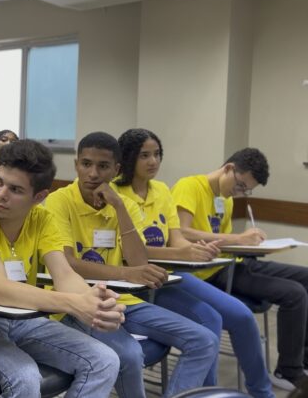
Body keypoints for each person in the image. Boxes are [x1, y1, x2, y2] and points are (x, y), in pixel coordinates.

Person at [0, 139, 122, 398]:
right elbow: (1, 290)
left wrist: (95, 302)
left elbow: (64, 275)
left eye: (15, 189)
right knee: (26, 377)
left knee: (105, 360)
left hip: (20, 318)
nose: (0, 194)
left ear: (39, 197)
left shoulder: (42, 219)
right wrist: (75, 304)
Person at [45, 131, 219, 398]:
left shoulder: (123, 203)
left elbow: (139, 261)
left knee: (204, 340)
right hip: (77, 302)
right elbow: (70, 263)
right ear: (76, 164)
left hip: (123, 300)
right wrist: (126, 272)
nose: (93, 173)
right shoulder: (59, 201)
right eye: (86, 164)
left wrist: (119, 208)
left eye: (103, 166)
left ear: (116, 170)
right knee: (130, 353)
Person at [114, 128, 274, 398]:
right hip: (138, 282)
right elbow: (133, 252)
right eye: (145, 155)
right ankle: (205, 393)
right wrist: (182, 254)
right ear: (129, 158)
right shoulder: (116, 195)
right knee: (209, 319)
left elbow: (176, 238)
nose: (153, 161)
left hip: (171, 275)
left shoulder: (162, 190)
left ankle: (259, 393)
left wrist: (196, 250)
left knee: (240, 315)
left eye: (157, 154)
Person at [172, 147, 308, 389]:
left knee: (306, 277)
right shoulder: (189, 186)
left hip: (232, 263)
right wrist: (238, 239)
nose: (241, 192)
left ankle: (302, 358)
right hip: (208, 273)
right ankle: (288, 370)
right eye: (241, 185)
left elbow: (221, 240)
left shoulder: (224, 198)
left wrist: (252, 244)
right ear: (229, 169)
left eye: (247, 190)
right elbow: (182, 232)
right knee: (294, 294)